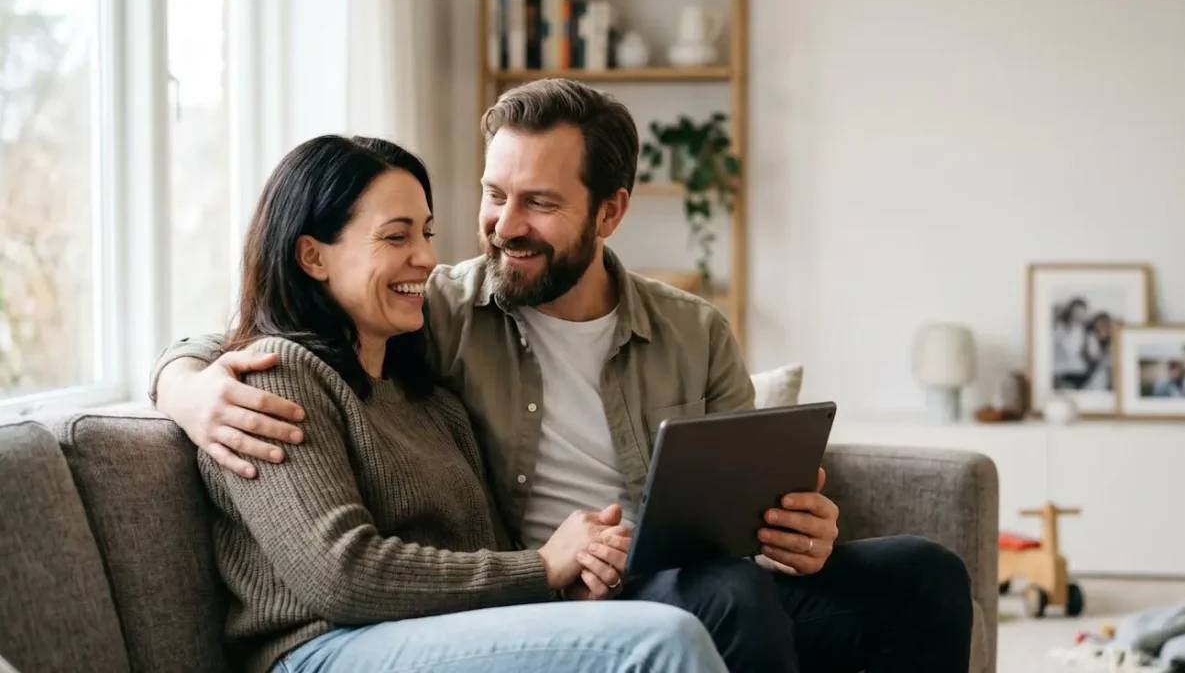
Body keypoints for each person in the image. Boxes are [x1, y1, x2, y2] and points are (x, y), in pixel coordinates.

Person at [150, 79, 973, 673]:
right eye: (492, 194)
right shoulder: (432, 311)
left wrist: (800, 528)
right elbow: (263, 325)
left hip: (671, 577)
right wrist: (183, 386)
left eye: (538, 203)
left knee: (921, 575)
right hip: (557, 591)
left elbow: (750, 512)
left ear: (609, 212)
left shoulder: (692, 331)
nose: (502, 228)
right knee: (732, 602)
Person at [193, 133, 728, 673]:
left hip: (438, 635)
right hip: (324, 650)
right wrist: (544, 566)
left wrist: (568, 590)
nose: (426, 258)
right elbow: (341, 576)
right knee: (661, 641)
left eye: (426, 233)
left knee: (724, 602)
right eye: (395, 237)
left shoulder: (429, 401)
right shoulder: (272, 379)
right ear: (312, 256)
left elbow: (485, 557)